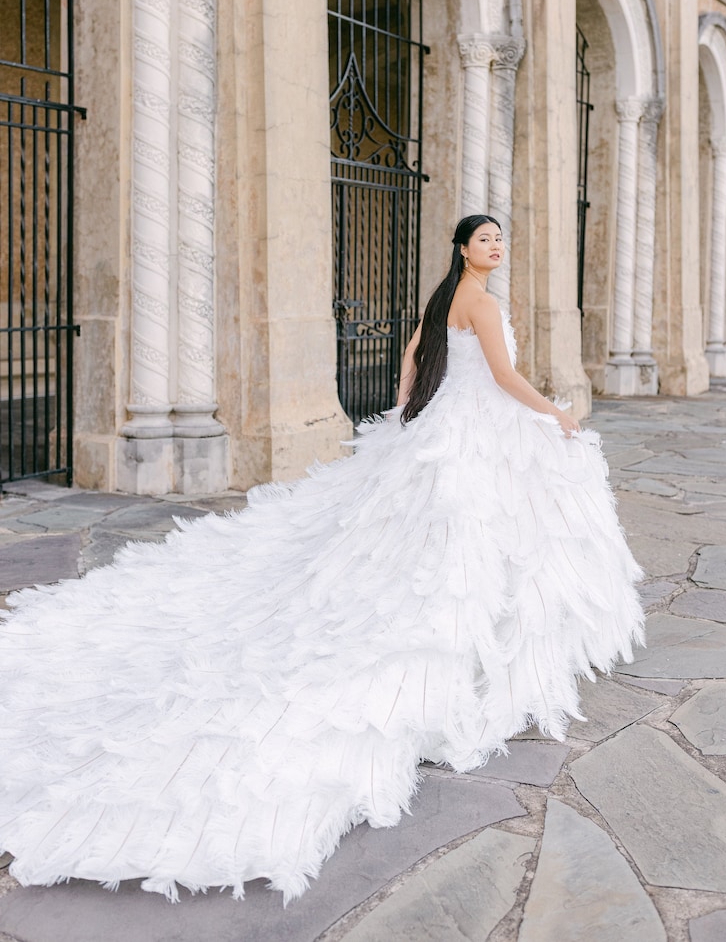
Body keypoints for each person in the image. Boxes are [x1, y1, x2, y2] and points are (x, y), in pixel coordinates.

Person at [0, 214, 644, 904]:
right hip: (477, 433)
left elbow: (413, 354)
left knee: (437, 539)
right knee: (477, 542)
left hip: (446, 428)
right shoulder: (481, 301)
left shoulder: (446, 294)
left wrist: (406, 406)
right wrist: (555, 413)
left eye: (498, 238)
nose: (495, 245)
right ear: (463, 248)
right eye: (484, 238)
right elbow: (505, 375)